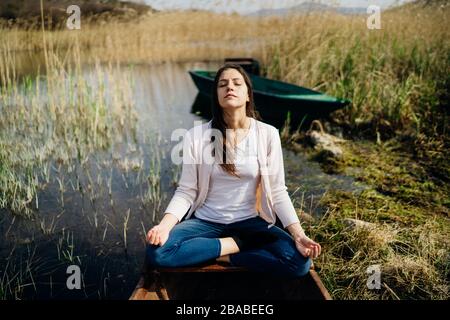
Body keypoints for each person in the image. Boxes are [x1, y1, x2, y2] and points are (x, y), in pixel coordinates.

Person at [145, 64, 321, 278]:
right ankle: (237, 244)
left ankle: (224, 254)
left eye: (237, 83)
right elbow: (186, 191)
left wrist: (298, 234)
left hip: (250, 223)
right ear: (217, 95)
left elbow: (277, 191)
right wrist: (164, 226)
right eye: (222, 84)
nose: (230, 87)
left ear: (248, 94)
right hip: (206, 222)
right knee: (158, 253)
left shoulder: (267, 134)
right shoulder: (196, 136)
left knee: (299, 263)